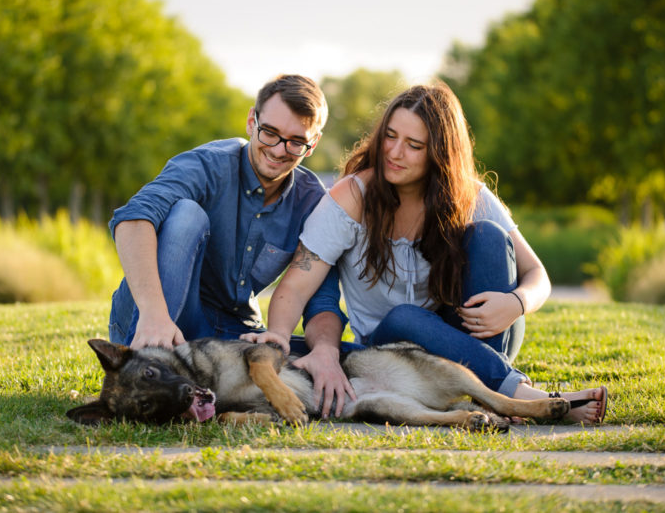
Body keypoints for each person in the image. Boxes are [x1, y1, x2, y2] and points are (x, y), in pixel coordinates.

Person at [243, 82, 607, 423]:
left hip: (471, 337)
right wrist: (277, 335)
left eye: (414, 145)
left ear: (439, 154)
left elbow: (537, 275)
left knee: (490, 237)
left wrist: (517, 303)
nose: (395, 153)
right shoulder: (352, 196)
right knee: (405, 317)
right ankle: (523, 395)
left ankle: (492, 392)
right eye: (390, 136)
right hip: (391, 351)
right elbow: (295, 286)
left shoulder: (468, 194)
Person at [107, 74, 347, 368]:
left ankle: (187, 369)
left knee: (349, 356)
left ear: (313, 143)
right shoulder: (206, 165)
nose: (277, 150)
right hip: (155, 316)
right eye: (269, 132)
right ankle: (140, 366)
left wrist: (323, 351)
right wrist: (154, 313)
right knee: (187, 215)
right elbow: (133, 218)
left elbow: (321, 295)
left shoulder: (312, 202)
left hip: (233, 331)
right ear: (251, 121)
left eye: (296, 142)